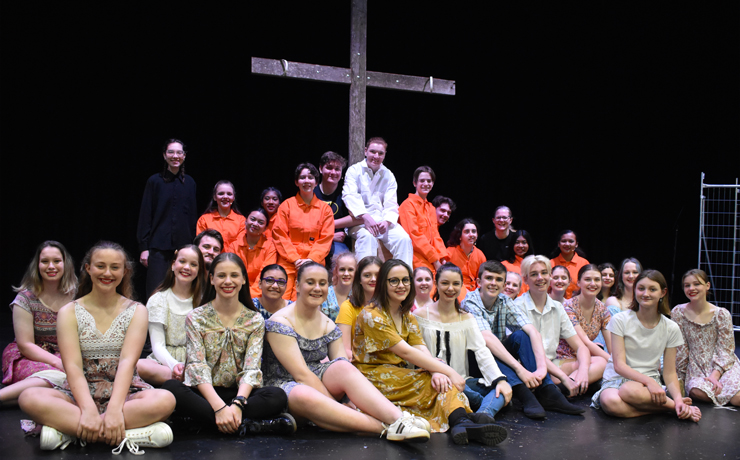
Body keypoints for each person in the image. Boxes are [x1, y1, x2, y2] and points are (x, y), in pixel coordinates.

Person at [18, 241, 175, 453]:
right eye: (100, 266)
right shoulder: (69, 312)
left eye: (114, 267)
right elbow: (72, 366)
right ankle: (126, 434)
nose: (107, 273)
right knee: (29, 397)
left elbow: (127, 363)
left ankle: (71, 433)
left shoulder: (137, 311)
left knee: (166, 400)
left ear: (124, 271)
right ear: (88, 268)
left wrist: (115, 410)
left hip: (124, 392)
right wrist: (88, 409)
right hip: (79, 393)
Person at [262, 262, 431, 442]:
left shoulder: (328, 324)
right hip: (286, 388)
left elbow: (342, 365)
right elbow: (301, 375)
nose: (317, 288)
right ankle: (386, 427)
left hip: (318, 383)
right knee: (303, 393)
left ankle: (398, 418)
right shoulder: (280, 322)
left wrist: (347, 402)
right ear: (297, 285)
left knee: (343, 366)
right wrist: (339, 406)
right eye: (310, 282)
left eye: (322, 283)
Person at [353, 260, 507, 446]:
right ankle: (465, 420)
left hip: (399, 374)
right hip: (371, 377)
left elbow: (419, 346)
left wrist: (436, 371)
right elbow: (406, 352)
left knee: (441, 381)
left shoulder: (406, 315)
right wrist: (447, 370)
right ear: (382, 284)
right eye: (394, 280)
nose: (401, 285)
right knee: (439, 382)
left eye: (405, 280)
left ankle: (463, 423)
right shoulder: (372, 315)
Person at [161, 253, 293, 436]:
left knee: (277, 396)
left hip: (239, 395)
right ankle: (246, 425)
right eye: (221, 276)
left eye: (234, 275)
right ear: (212, 279)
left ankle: (204, 424)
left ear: (244, 280)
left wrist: (237, 405)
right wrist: (219, 408)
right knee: (171, 388)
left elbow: (252, 368)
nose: (228, 281)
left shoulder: (255, 320)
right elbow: (197, 368)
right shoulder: (196, 317)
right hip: (205, 392)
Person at [463, 260, 584, 419]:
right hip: (476, 360)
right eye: (489, 278)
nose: (493, 283)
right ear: (479, 282)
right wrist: (520, 370)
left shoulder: (504, 300)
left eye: (498, 279)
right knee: (487, 347)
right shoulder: (470, 302)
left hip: (499, 357)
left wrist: (541, 369)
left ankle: (547, 391)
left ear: (503, 284)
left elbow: (532, 331)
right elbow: (486, 338)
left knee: (521, 335)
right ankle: (524, 394)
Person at [592, 270, 701, 422]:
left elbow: (669, 372)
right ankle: (672, 408)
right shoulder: (620, 320)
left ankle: (673, 404)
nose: (646, 294)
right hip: (617, 378)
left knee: (629, 390)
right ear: (635, 290)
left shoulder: (671, 327)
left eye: (652, 289)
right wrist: (676, 402)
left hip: (645, 383)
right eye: (641, 288)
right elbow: (619, 366)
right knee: (611, 403)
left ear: (663, 293)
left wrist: (676, 396)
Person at [414, 264, 512, 424]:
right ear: (436, 284)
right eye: (445, 283)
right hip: (432, 380)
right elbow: (415, 351)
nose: (450, 288)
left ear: (461, 286)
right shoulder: (419, 316)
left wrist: (499, 380)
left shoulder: (467, 318)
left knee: (502, 387)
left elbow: (481, 351)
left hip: (463, 381)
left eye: (455, 284)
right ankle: (482, 404)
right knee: (450, 383)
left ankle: (484, 415)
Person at [1, 241, 77, 406]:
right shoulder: (25, 298)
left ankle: (14, 400)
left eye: (57, 261)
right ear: (37, 265)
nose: (51, 266)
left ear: (66, 264)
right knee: (62, 377)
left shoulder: (79, 296)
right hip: (32, 355)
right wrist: (59, 363)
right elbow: (25, 345)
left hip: (68, 355)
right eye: (45, 261)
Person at [514, 256, 593, 398]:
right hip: (531, 367)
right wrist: (564, 377)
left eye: (544, 273)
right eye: (534, 274)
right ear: (525, 279)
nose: (540, 278)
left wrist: (583, 371)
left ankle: (566, 388)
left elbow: (581, 347)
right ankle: (564, 387)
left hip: (553, 365)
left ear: (550, 276)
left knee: (598, 362)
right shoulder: (517, 306)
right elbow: (534, 354)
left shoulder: (557, 307)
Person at [137, 245, 206, 386]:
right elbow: (158, 346)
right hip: (165, 364)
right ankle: (188, 381)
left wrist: (191, 365)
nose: (186, 267)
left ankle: (188, 379)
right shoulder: (158, 300)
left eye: (193, 264)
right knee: (139, 365)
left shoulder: (204, 302)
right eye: (182, 261)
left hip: (195, 363)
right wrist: (175, 365)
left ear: (199, 270)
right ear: (173, 264)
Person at [137, 139, 198, 298]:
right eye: (171, 152)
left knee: (182, 291)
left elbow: (192, 218)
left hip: (183, 247)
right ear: (164, 155)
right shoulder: (154, 181)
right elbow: (146, 215)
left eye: (179, 152)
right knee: (155, 291)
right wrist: (144, 248)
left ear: (184, 156)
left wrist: (193, 246)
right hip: (158, 247)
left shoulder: (190, 183)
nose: (175, 156)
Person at [672, 269, 740, 407]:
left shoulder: (721, 314)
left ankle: (729, 395)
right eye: (687, 285)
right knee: (697, 391)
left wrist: (715, 375)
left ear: (707, 285)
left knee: (737, 398)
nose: (691, 288)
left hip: (722, 366)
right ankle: (726, 396)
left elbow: (726, 350)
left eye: (696, 284)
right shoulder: (678, 313)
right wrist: (680, 380)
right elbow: (681, 349)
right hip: (696, 368)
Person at [342, 137, 413, 267]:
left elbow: (391, 203)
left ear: (385, 155)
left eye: (380, 153)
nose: (376, 156)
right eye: (373, 151)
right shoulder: (354, 170)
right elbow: (349, 196)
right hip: (360, 222)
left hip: (381, 221)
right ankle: (365, 277)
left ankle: (403, 276)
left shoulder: (388, 175)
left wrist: (387, 222)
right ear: (365, 151)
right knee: (368, 238)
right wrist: (365, 216)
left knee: (403, 239)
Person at [273, 163, 335, 300]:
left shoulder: (325, 210)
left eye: (310, 177)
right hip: (288, 262)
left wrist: (310, 260)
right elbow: (279, 235)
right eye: (302, 178)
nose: (306, 181)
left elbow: (326, 239)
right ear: (296, 182)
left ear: (316, 182)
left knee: (307, 300)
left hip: (314, 262)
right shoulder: (286, 206)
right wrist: (295, 259)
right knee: (281, 300)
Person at [556, 264, 611, 388]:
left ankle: (569, 388)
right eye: (587, 279)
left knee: (605, 362)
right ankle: (567, 387)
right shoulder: (568, 306)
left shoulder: (602, 309)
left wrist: (620, 363)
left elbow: (612, 347)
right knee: (603, 362)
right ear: (579, 282)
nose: (593, 283)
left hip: (586, 360)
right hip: (562, 360)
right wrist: (614, 363)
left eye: (597, 280)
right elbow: (585, 342)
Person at [313, 151, 361, 266]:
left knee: (343, 261)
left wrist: (330, 225)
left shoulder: (345, 193)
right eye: (329, 168)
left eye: (337, 169)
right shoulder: (311, 192)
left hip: (338, 242)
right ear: (320, 168)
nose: (333, 172)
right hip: (314, 239)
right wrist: (330, 235)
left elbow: (359, 218)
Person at [399, 166, 449, 272]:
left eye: (429, 181)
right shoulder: (407, 205)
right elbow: (414, 236)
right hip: (416, 259)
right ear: (414, 183)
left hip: (433, 260)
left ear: (432, 184)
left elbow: (436, 236)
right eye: (422, 181)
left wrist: (442, 257)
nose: (426, 184)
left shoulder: (431, 208)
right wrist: (435, 259)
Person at [336, 256, 382, 360]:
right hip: (358, 362)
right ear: (359, 280)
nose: (373, 279)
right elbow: (345, 349)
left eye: (378, 275)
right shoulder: (348, 306)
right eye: (367, 275)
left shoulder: (390, 305)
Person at [228, 207, 277, 298]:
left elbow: (266, 274)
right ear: (245, 221)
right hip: (236, 292)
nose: (255, 224)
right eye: (252, 219)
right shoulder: (233, 246)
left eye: (260, 222)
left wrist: (251, 295)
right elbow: (232, 272)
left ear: (265, 228)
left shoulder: (270, 247)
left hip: (261, 293)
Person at [196, 180, 246, 250]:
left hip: (233, 257)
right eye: (221, 193)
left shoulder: (242, 221)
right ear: (214, 197)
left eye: (229, 194)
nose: (225, 196)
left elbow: (241, 246)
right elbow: (201, 246)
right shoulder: (204, 219)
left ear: (233, 197)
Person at [446, 218, 485, 295]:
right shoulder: (449, 252)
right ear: (460, 236)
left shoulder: (480, 255)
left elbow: (482, 279)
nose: (471, 234)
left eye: (473, 231)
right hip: (455, 290)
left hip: (475, 293)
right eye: (467, 232)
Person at [549, 230, 589, 299]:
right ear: (558, 244)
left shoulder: (584, 263)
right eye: (564, 241)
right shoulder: (550, 263)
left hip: (578, 302)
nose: (567, 244)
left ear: (576, 244)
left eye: (571, 241)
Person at [319, 252, 357, 321]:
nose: (346, 273)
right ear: (336, 271)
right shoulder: (326, 294)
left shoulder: (359, 294)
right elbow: (323, 323)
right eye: (342, 269)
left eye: (350, 270)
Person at [501, 229, 535, 298]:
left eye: (524, 242)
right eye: (517, 242)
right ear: (512, 245)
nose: (520, 245)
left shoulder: (535, 265)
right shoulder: (504, 265)